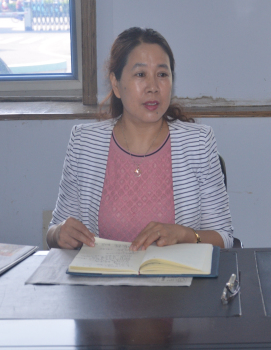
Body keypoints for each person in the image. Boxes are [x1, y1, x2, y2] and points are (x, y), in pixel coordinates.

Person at [47, 27, 233, 250]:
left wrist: (184, 234)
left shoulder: (198, 143)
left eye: (162, 75)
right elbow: (55, 230)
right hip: (103, 273)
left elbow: (224, 238)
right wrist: (59, 233)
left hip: (175, 273)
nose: (153, 87)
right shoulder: (84, 143)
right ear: (116, 84)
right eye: (140, 75)